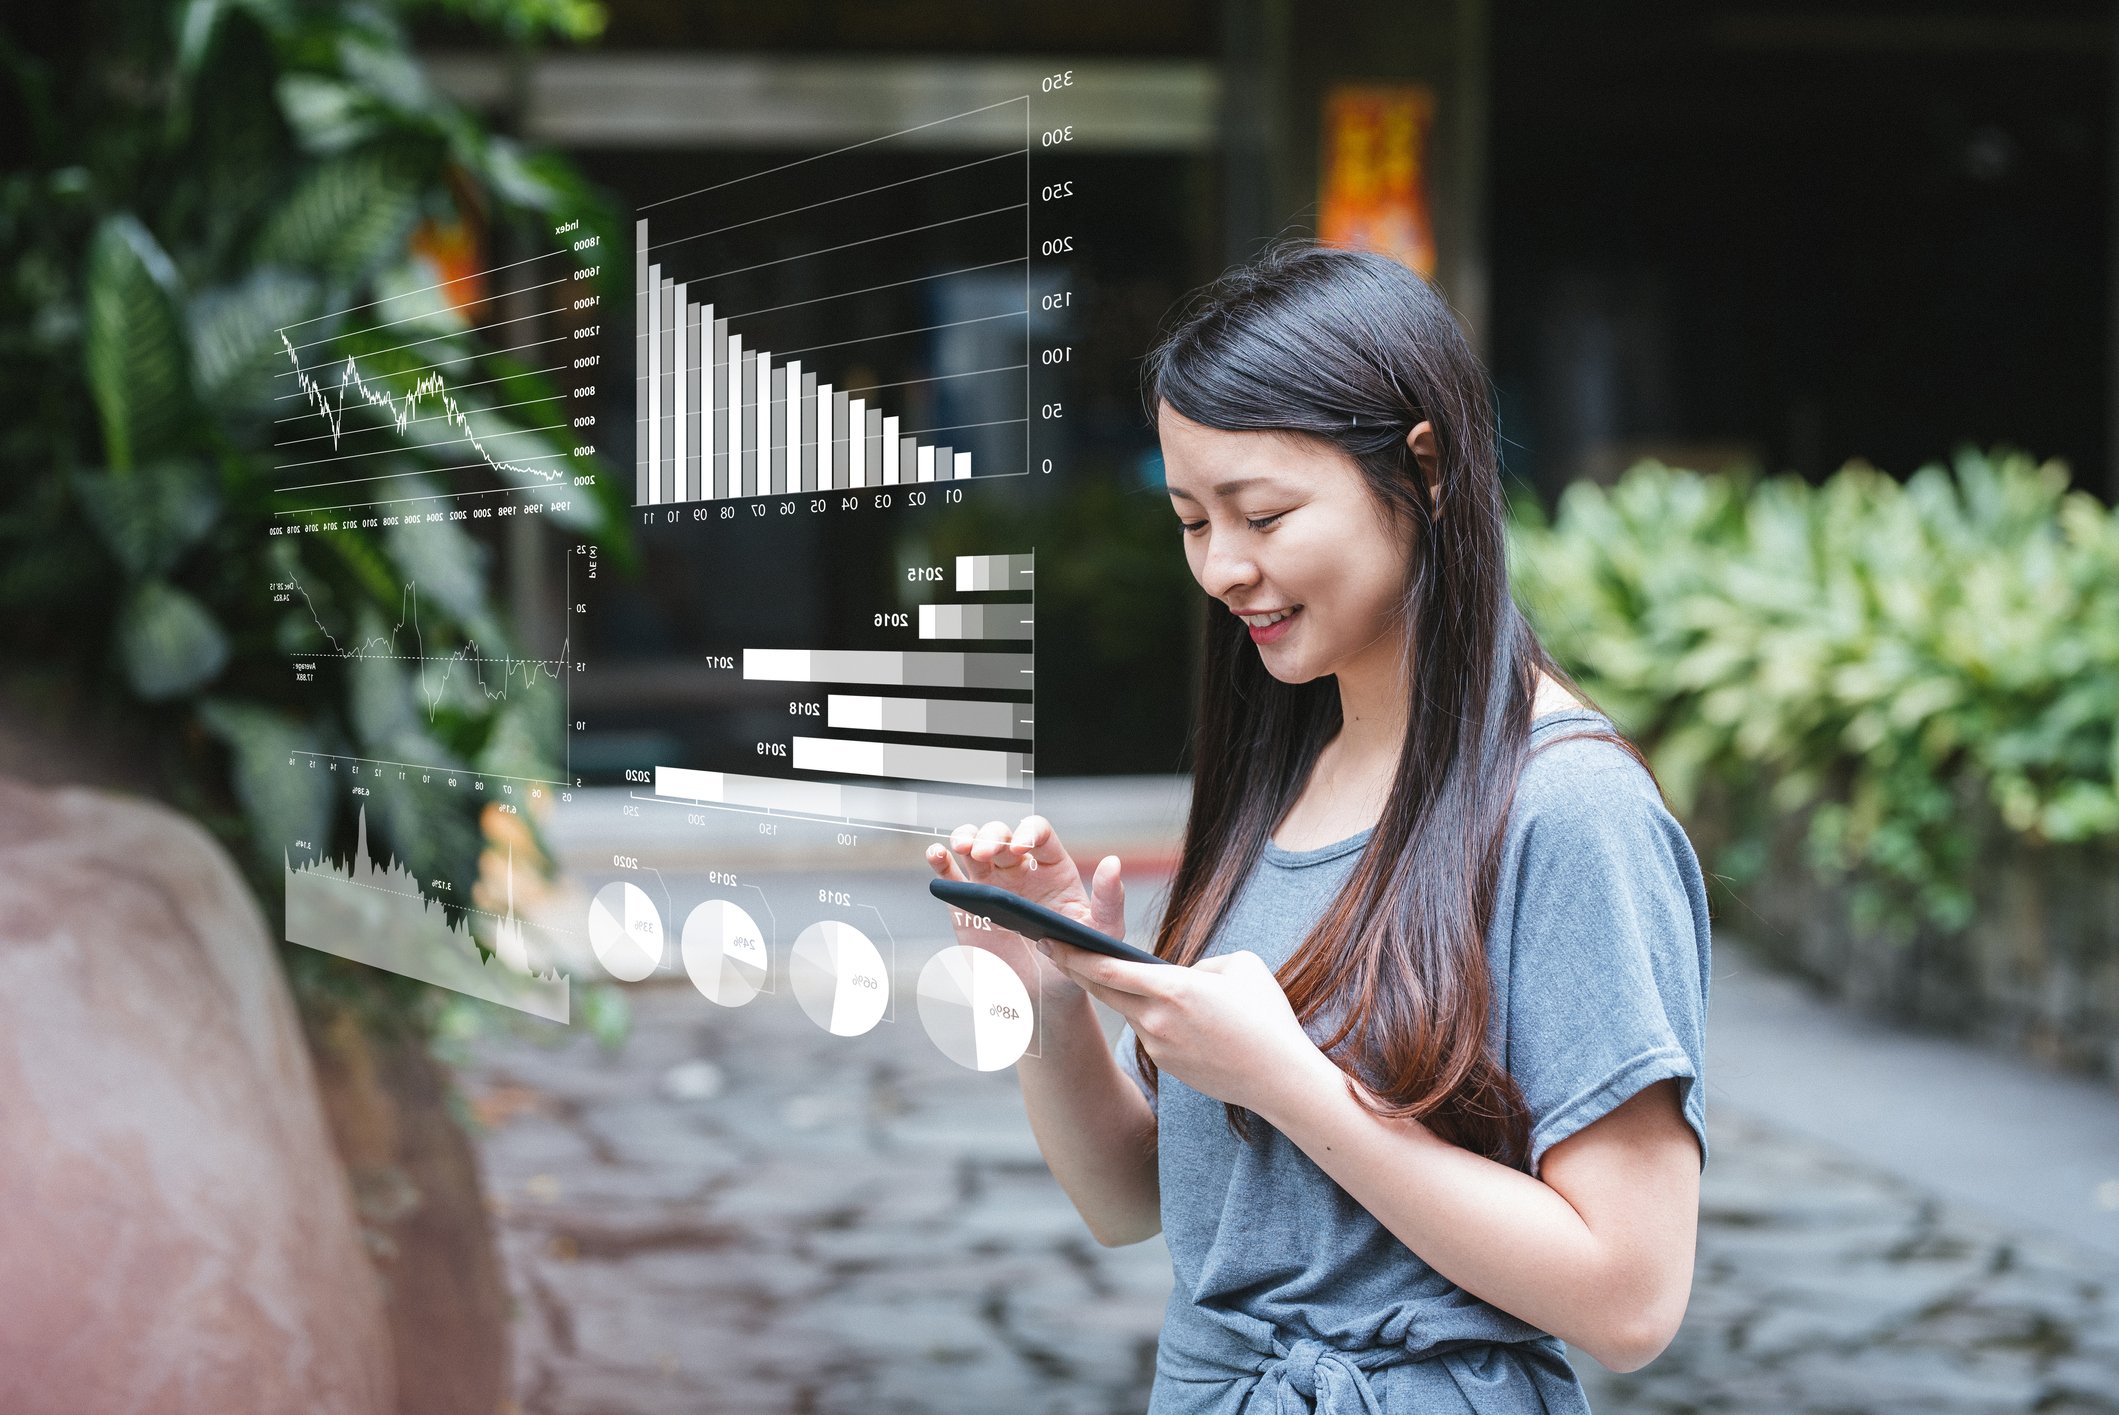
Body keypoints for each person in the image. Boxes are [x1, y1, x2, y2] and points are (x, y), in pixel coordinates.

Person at [924, 243, 1710, 1414]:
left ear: (1424, 469)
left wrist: (1289, 1081)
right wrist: (1051, 996)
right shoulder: (1285, 768)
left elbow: (1630, 1298)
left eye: (1263, 513)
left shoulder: (1568, 807)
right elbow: (1136, 1202)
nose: (1222, 567)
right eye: (1190, 519)